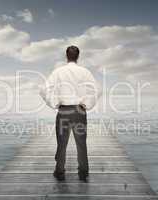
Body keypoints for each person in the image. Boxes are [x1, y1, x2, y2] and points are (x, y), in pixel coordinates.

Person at [40, 46, 100, 182]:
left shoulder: (58, 72)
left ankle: (60, 172)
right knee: (81, 143)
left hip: (64, 111)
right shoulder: (85, 72)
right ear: (78, 56)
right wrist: (86, 104)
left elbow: (44, 90)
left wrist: (55, 103)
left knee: (62, 143)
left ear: (66, 56)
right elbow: (97, 90)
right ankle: (83, 173)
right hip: (79, 111)